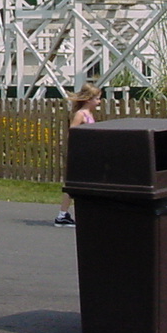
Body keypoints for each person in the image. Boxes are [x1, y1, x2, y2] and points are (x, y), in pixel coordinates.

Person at [54, 82, 102, 227]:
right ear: (89, 99)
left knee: (87, 184)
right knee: (73, 185)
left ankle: (87, 212)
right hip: (79, 154)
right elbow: (73, 133)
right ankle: (62, 215)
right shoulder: (80, 115)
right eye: (97, 98)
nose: (99, 102)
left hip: (88, 154)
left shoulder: (89, 114)